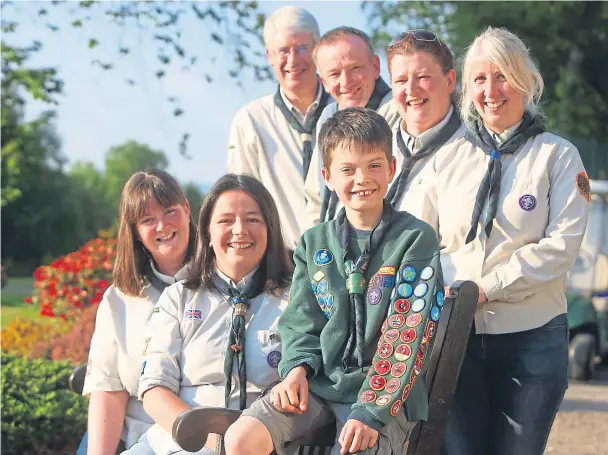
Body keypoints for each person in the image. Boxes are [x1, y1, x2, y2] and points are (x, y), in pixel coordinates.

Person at [225, 108, 444, 455]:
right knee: (240, 439)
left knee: (354, 446)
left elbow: (408, 331)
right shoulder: (314, 243)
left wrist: (371, 412)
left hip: (385, 395)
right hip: (319, 385)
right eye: (348, 169)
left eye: (374, 165)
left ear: (391, 168)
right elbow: (301, 321)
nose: (362, 179)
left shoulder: (415, 239)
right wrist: (295, 370)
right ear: (327, 176)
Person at [427, 27, 591, 455]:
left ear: (525, 80)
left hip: (532, 340)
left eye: (502, 76)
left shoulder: (558, 156)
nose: (491, 90)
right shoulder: (447, 160)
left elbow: (561, 248)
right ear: (467, 89)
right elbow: (422, 241)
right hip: (456, 339)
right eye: (479, 79)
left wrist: (488, 287)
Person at [123, 174, 293, 455]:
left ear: (270, 229)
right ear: (208, 233)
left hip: (258, 441)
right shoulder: (178, 297)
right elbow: (154, 388)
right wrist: (202, 438)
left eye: (252, 219)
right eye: (226, 221)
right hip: (178, 441)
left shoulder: (295, 299)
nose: (239, 230)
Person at [79, 169, 197, 455]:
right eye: (147, 220)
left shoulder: (223, 282)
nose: (162, 225)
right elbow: (108, 389)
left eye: (170, 211)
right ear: (135, 231)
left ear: (187, 209)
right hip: (135, 436)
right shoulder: (119, 300)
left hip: (199, 436)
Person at [227, 6, 329, 252]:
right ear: (269, 56)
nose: (293, 60)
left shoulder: (345, 111)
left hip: (347, 260)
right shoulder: (251, 121)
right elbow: (242, 201)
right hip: (281, 266)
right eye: (283, 50)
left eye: (302, 48)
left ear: (318, 50)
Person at [304, 26, 400, 225]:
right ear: (323, 81)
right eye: (334, 74)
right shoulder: (327, 117)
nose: (346, 82)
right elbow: (315, 197)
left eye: (355, 68)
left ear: (375, 66)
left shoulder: (399, 111)